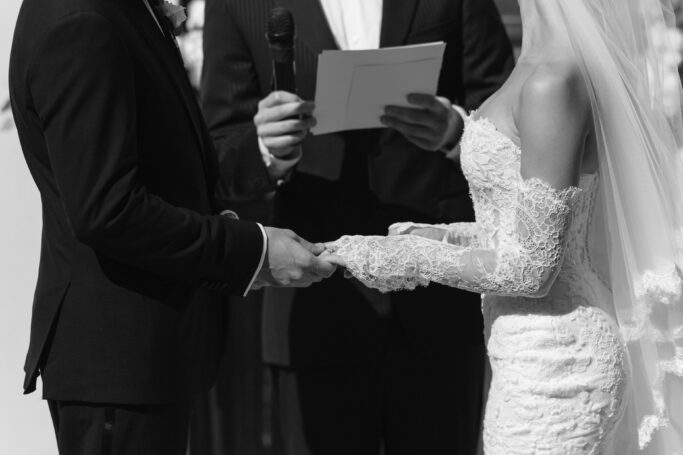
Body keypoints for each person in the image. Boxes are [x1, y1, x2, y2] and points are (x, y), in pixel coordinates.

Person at [327, 0, 683, 453]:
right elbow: (525, 231)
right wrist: (447, 236)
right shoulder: (539, 62)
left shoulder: (553, 80)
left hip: (557, 363)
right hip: (528, 356)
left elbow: (533, 269)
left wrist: (397, 255)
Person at [8, 0, 336, 453]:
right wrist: (251, 251)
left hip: (145, 363)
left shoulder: (116, 11)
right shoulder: (81, 20)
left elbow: (162, 169)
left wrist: (254, 164)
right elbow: (108, 209)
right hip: (117, 370)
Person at [201, 0, 514, 453]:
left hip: (439, 304)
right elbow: (219, 161)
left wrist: (457, 132)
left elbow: (505, 107)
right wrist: (266, 151)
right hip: (316, 303)